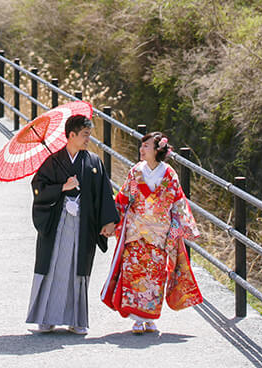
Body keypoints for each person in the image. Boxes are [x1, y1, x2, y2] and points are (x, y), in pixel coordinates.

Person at [101, 131, 203, 333]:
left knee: (155, 276)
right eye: (142, 146)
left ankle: (150, 317)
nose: (141, 149)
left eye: (146, 146)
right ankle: (137, 319)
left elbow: (178, 203)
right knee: (133, 272)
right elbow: (123, 198)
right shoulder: (136, 172)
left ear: (158, 149)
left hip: (159, 235)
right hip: (135, 231)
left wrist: (180, 229)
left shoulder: (169, 174)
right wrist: (112, 221)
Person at [26, 114, 119, 335]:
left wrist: (108, 221)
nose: (88, 139)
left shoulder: (94, 163)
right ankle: (46, 318)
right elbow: (38, 188)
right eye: (85, 135)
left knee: (78, 270)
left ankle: (77, 320)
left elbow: (104, 193)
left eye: (89, 135)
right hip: (57, 222)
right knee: (53, 267)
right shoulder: (52, 161)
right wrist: (62, 188)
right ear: (71, 135)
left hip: (83, 224)